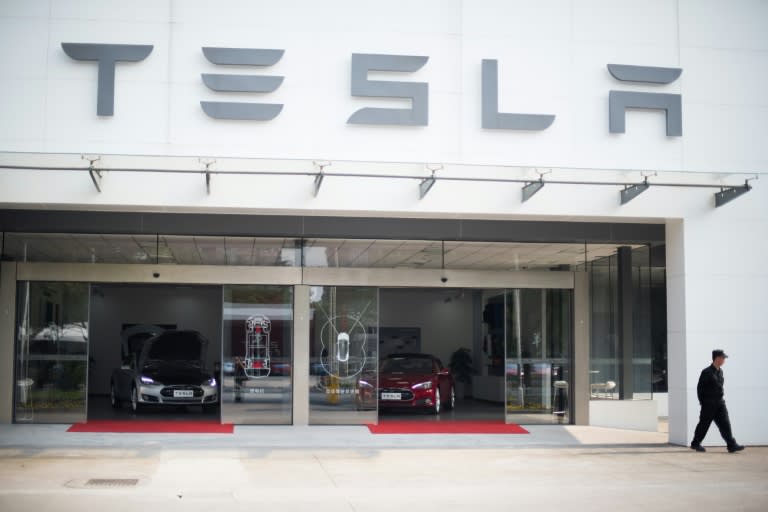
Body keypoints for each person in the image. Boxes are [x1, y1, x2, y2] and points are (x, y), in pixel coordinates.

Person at [690, 349, 744, 453]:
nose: (724, 360)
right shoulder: (706, 372)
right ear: (718, 358)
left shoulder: (720, 372)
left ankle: (731, 445)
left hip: (720, 403)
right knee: (704, 424)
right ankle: (695, 443)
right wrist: (703, 402)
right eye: (723, 358)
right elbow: (699, 389)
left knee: (725, 424)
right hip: (709, 404)